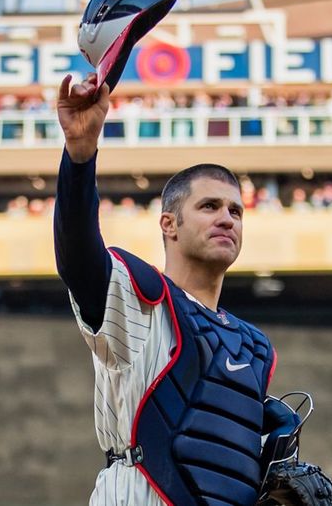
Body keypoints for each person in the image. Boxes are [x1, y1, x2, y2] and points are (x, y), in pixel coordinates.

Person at [54, 73, 278, 505]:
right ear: (169, 224)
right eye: (209, 206)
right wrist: (79, 159)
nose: (227, 218)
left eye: (236, 210)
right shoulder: (141, 299)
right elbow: (78, 257)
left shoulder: (253, 347)